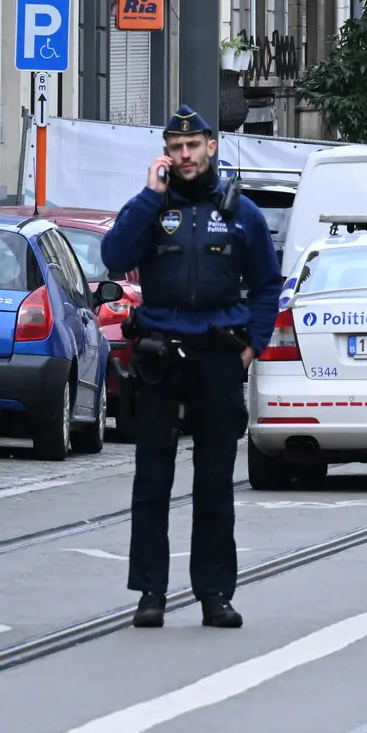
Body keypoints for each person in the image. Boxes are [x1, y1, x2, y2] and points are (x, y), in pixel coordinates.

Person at [101, 105, 283, 630]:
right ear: (165, 152)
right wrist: (148, 197)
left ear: (211, 147)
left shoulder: (240, 212)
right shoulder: (152, 208)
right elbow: (115, 256)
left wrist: (251, 345)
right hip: (160, 355)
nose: (184, 157)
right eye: (175, 148)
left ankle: (215, 594)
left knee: (214, 482)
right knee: (151, 479)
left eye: (193, 147)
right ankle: (150, 592)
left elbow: (267, 284)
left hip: (218, 356)